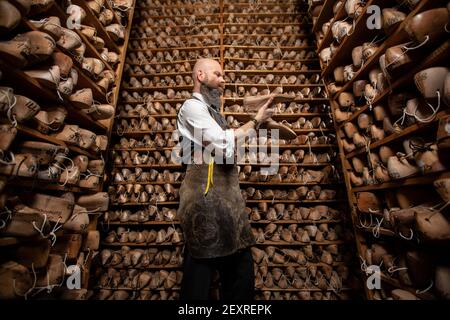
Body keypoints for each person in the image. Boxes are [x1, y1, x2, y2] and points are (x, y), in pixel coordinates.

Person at [176, 58, 274, 300]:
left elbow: (228, 151)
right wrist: (255, 121)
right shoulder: (192, 108)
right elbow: (222, 144)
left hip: (229, 206)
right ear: (200, 75)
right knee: (197, 284)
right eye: (217, 74)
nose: (223, 80)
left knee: (241, 278)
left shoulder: (215, 116)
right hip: (204, 204)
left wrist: (252, 128)